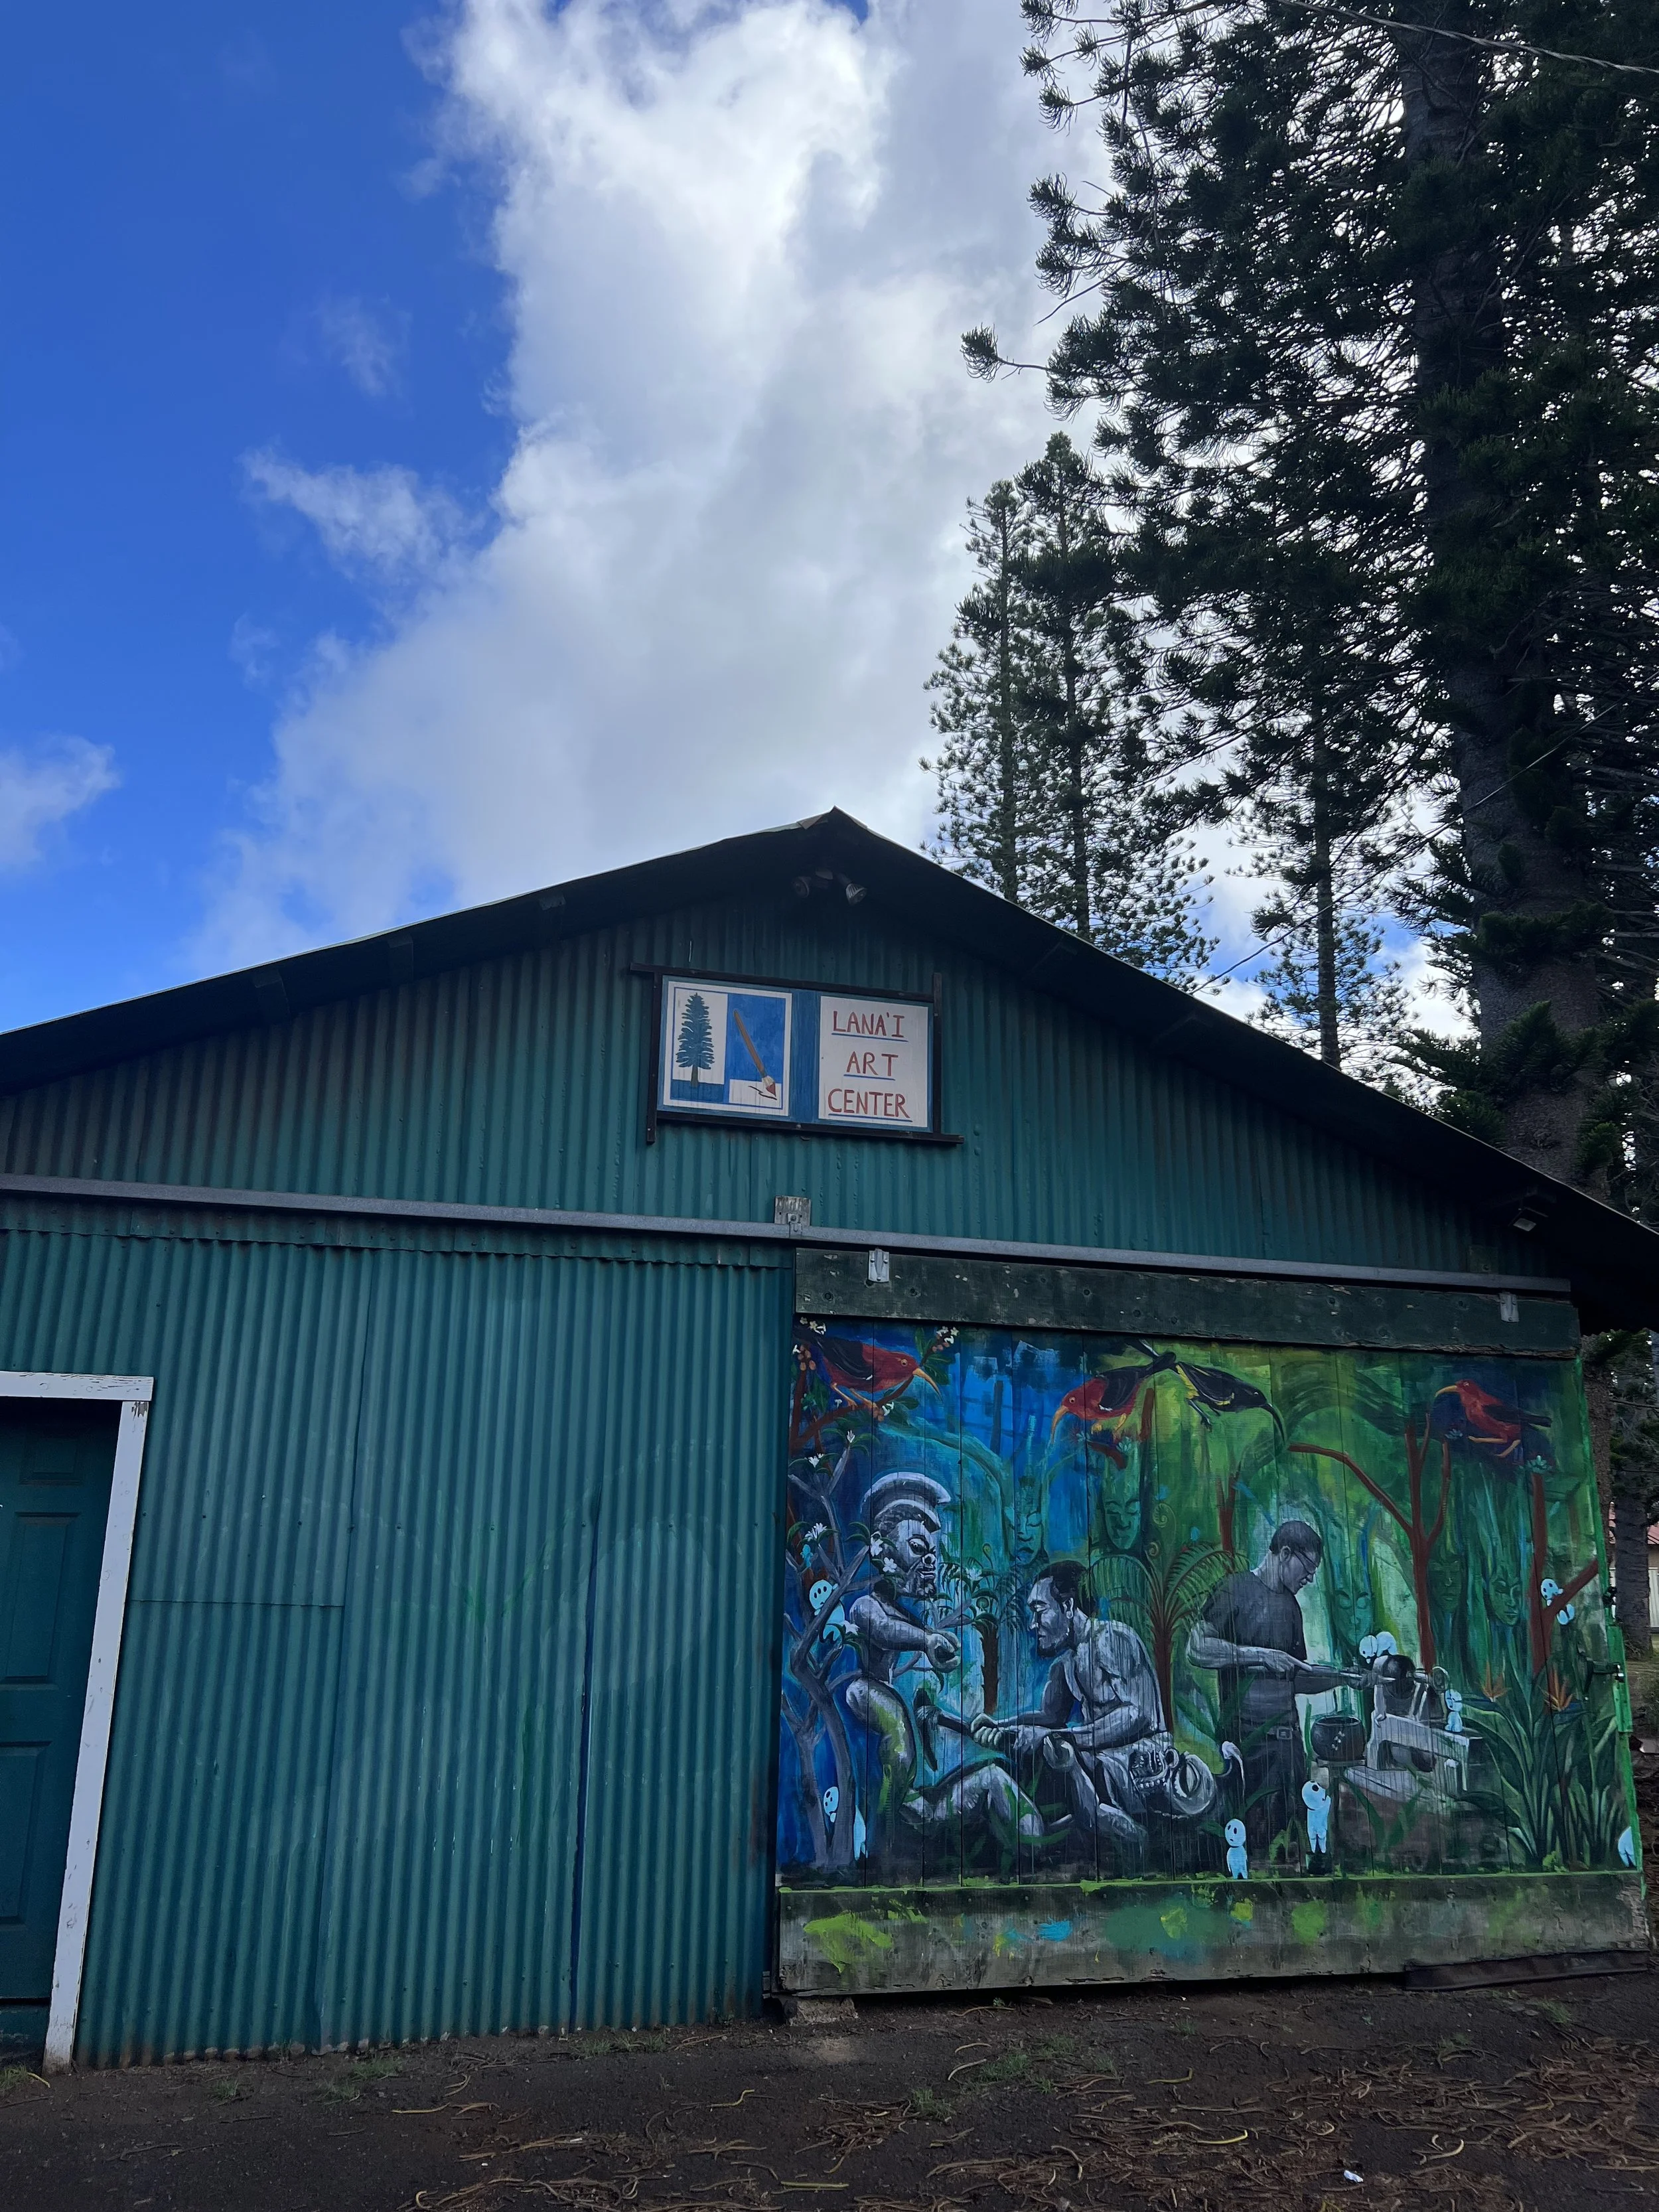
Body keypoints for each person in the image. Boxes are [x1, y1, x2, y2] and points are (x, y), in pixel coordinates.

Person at [842, 1472, 1046, 1868]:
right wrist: (926, 1640)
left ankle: (1047, 1843)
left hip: (923, 1799)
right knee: (889, 1717)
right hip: (894, 1785)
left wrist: (974, 1728)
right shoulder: (866, 1607)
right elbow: (881, 1628)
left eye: (933, 1551)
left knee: (996, 1780)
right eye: (917, 1547)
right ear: (881, 1548)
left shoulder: (913, 1623)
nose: (930, 1561)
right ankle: (881, 1839)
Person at [971, 1561, 1171, 1865]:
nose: (1033, 1624)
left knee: (1060, 1755)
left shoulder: (1112, 1639)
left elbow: (1136, 1714)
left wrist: (1062, 1738)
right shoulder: (1065, 1665)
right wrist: (1000, 1725)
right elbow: (1048, 1718)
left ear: (1068, 1606)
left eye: (1039, 1611)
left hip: (1143, 1760)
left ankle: (1124, 1835)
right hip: (1100, 1766)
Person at [1187, 1520, 1343, 1855]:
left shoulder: (1291, 1609)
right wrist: (1258, 1655)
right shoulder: (1234, 1590)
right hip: (1245, 1744)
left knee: (1290, 1838)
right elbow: (1197, 1649)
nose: (1310, 1578)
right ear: (1285, 1554)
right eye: (1308, 1568)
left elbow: (1294, 1676)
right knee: (1246, 1837)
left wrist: (1341, 1678)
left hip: (1288, 1747)